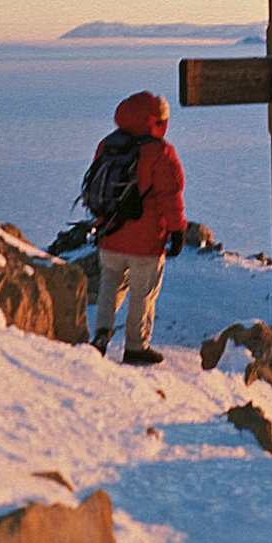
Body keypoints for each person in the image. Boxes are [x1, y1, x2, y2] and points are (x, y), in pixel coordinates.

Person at [91, 91, 186, 365]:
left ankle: (100, 336)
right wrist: (177, 230)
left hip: (110, 234)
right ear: (155, 120)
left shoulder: (108, 145)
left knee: (110, 285)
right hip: (146, 240)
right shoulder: (161, 152)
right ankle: (136, 346)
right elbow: (171, 196)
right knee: (143, 293)